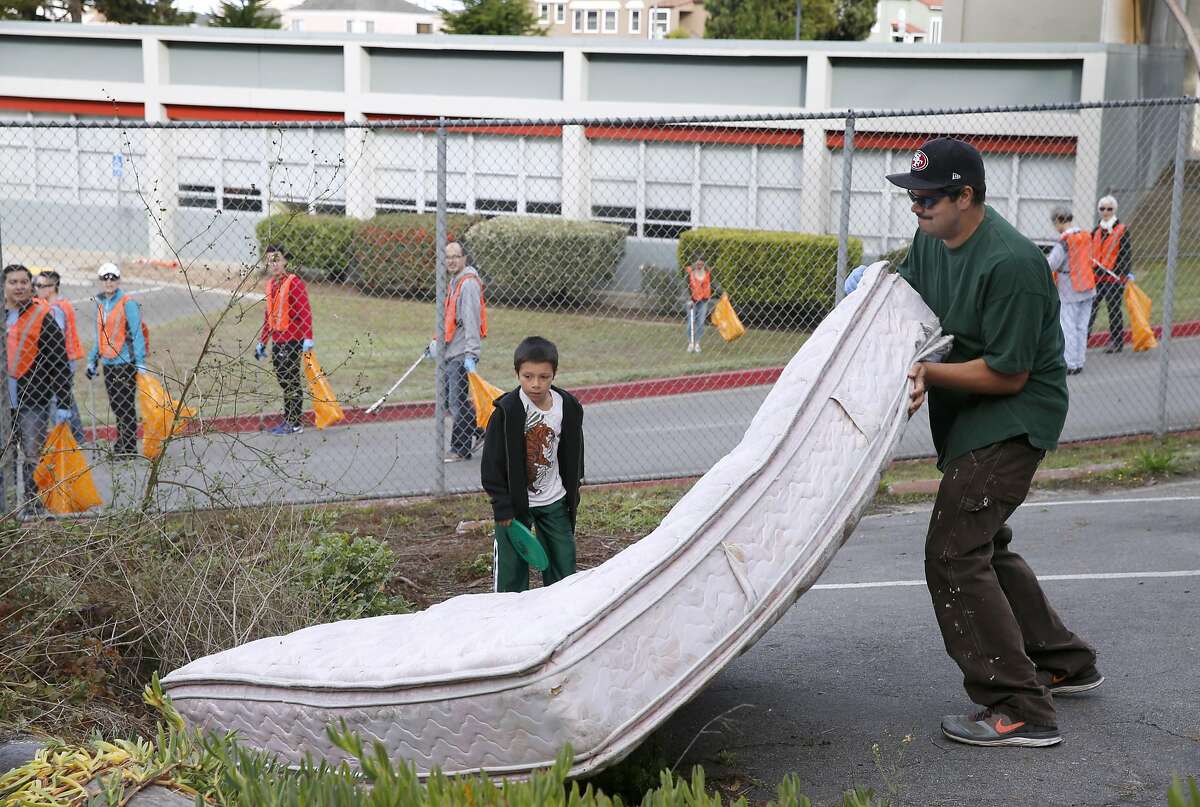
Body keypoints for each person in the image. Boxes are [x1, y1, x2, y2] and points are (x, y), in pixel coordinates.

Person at [884, 137, 1101, 748]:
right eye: (913, 196)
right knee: (983, 544)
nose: (917, 208)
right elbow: (903, 297)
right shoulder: (932, 241)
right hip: (969, 418)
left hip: (1013, 416)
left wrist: (927, 372)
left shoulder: (1011, 264)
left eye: (929, 198)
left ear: (967, 196)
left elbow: (1010, 373)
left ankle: (1019, 708)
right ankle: (1064, 662)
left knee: (953, 553)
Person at [480, 336, 584, 593]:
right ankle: (511, 623)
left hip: (554, 501)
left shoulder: (567, 407)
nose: (535, 384)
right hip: (513, 509)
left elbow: (574, 451)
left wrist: (575, 485)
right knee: (511, 577)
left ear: (554, 374)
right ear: (517, 374)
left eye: (543, 377)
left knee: (564, 572)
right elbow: (491, 466)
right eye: (528, 376)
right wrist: (501, 507)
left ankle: (560, 619)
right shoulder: (506, 412)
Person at [3, 264, 76, 517]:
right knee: (5, 454)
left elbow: (59, 362)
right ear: (5, 285)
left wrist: (64, 402)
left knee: (32, 454)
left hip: (32, 399)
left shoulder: (41, 316)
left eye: (24, 282)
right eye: (13, 282)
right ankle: (7, 504)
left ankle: (31, 503)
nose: (20, 286)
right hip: (3, 402)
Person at [86, 263, 146, 459]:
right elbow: (100, 336)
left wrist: (140, 361)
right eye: (105, 278)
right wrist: (92, 359)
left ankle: (128, 447)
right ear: (101, 281)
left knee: (124, 404)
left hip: (125, 362)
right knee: (115, 405)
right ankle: (122, 442)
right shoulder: (102, 304)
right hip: (109, 363)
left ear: (118, 280)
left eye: (113, 277)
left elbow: (137, 334)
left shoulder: (127, 303)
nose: (109, 281)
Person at [255, 246, 313, 436]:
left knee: (290, 379)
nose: (274, 264)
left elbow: (305, 312)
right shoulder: (271, 284)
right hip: (278, 340)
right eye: (270, 260)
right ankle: (289, 420)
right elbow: (268, 315)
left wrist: (308, 338)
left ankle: (294, 423)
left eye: (277, 259)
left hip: (293, 339)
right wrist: (262, 341)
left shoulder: (294, 283)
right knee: (283, 379)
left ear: (285, 261)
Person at [439, 240, 486, 462]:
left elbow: (471, 320)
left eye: (455, 256)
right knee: (450, 401)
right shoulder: (455, 282)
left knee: (456, 402)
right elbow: (450, 320)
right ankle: (483, 428)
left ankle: (460, 448)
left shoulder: (468, 284)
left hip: (461, 354)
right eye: (448, 257)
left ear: (465, 258)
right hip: (450, 351)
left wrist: (471, 354)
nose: (451, 260)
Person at [34, 269, 85, 441]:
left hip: (59, 361)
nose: (36, 288)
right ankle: (78, 437)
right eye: (36, 284)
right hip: (66, 359)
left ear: (52, 287)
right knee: (66, 397)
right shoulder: (59, 305)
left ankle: (64, 440)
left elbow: (56, 340)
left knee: (57, 400)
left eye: (40, 285)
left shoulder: (55, 310)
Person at [1046, 208, 1096, 376]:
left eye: (1055, 223)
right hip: (1088, 285)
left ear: (1058, 221)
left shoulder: (1064, 242)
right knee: (1082, 326)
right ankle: (1079, 361)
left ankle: (1070, 363)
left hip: (1070, 287)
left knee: (1068, 326)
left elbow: (1052, 264)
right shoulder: (1086, 236)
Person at [1090, 195, 1133, 354]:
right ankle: (1083, 338)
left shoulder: (1122, 229)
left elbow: (1126, 254)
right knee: (1091, 308)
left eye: (1109, 209)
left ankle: (1116, 341)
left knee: (1113, 309)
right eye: (1102, 208)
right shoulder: (1096, 230)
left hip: (1114, 278)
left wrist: (1122, 273)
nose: (1105, 212)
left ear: (1114, 210)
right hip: (1097, 277)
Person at [684, 258, 720, 353]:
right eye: (698, 264)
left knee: (700, 322)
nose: (699, 266)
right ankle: (690, 343)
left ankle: (697, 344)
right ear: (695, 263)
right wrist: (688, 298)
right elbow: (685, 286)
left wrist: (722, 292)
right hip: (692, 301)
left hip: (703, 301)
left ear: (704, 264)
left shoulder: (708, 272)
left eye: (701, 264)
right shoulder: (689, 272)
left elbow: (714, 283)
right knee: (690, 323)